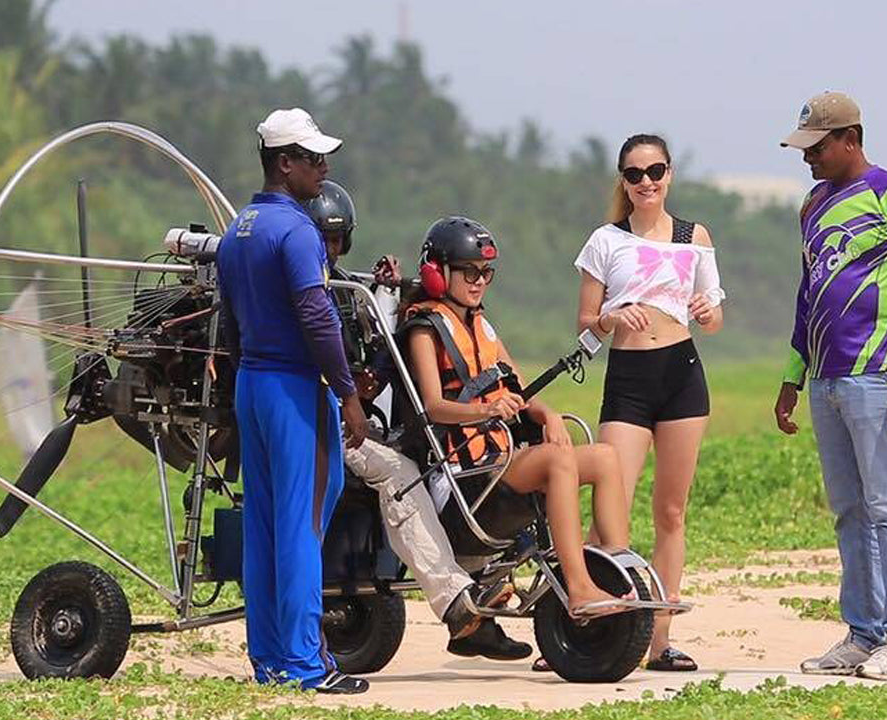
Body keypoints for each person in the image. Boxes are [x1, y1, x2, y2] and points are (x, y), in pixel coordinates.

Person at [304, 181, 532, 661]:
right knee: (402, 475)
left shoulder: (347, 294)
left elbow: (376, 370)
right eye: (319, 239)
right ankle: (456, 604)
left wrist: (386, 298)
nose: (326, 250)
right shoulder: (301, 294)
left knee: (446, 465)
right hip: (314, 422)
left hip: (358, 422)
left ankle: (484, 598)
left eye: (335, 241)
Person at [774, 91, 887, 683]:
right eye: (803, 148)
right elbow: (808, 292)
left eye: (817, 147)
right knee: (848, 510)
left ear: (851, 139)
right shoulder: (812, 204)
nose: (807, 158)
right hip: (825, 379)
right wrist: (793, 375)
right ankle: (864, 635)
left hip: (877, 378)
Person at [404, 216, 637, 622]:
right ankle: (578, 587)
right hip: (462, 478)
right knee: (557, 460)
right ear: (437, 273)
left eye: (486, 273)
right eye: (469, 272)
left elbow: (519, 390)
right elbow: (432, 407)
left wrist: (546, 414)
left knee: (604, 457)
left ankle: (616, 570)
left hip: (496, 466)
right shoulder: (424, 329)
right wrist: (485, 410)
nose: (479, 282)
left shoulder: (481, 325)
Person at [215, 108, 369, 694]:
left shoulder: (240, 228)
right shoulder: (299, 231)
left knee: (265, 526)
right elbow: (316, 315)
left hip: (253, 387)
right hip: (295, 389)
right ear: (285, 163)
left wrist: (245, 375)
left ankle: (271, 660)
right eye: (313, 158)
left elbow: (230, 322)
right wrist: (348, 393)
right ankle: (306, 666)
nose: (323, 168)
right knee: (302, 525)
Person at [573, 134, 725, 672]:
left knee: (672, 512)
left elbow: (713, 317)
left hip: (682, 376)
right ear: (623, 180)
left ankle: (660, 640)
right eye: (634, 174)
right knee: (611, 508)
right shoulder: (605, 241)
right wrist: (612, 318)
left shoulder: (693, 237)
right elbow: (586, 325)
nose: (646, 182)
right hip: (630, 379)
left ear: (670, 173)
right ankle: (586, 624)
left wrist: (707, 311)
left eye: (655, 171)